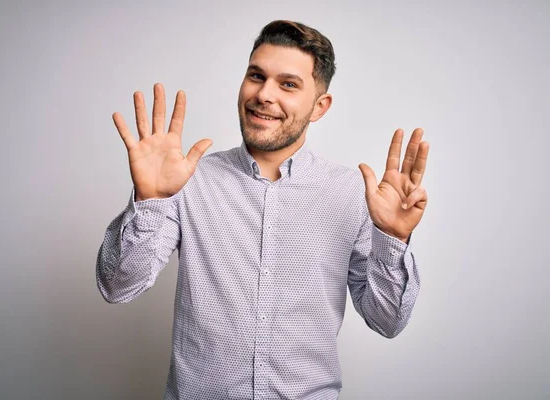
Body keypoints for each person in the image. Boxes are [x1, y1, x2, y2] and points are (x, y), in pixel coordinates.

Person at [96, 20, 429, 400]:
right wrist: (150, 199)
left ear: (320, 106)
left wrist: (393, 239)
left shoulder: (352, 194)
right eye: (257, 76)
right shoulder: (188, 180)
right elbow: (117, 286)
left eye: (288, 84)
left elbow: (387, 321)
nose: (264, 95)